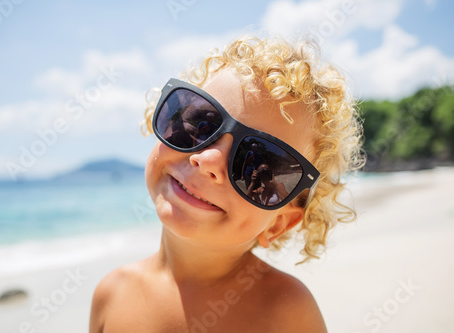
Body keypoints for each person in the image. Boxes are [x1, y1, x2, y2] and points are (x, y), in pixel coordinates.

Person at [90, 35, 363, 333]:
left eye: (258, 165)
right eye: (199, 124)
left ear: (278, 224)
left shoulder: (286, 313)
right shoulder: (111, 294)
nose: (206, 161)